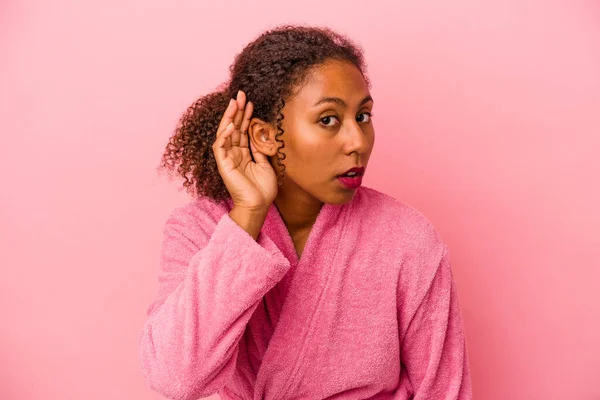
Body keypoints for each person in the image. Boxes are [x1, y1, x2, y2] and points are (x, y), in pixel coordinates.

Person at [138, 24, 472, 400]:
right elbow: (175, 379)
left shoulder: (407, 237)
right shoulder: (200, 229)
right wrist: (247, 215)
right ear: (265, 136)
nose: (357, 142)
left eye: (363, 117)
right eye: (328, 119)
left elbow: (445, 391)